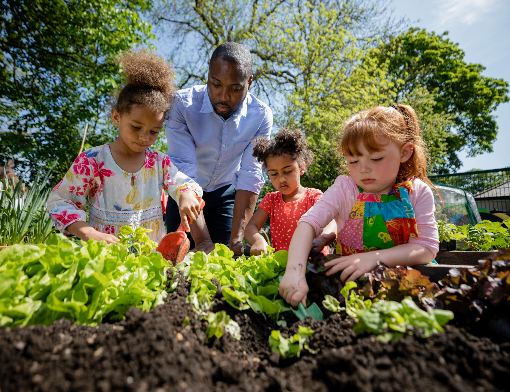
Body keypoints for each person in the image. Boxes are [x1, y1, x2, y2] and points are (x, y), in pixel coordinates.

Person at [279, 104, 440, 307]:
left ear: (405, 153)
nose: (364, 169)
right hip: (351, 289)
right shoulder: (344, 189)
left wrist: (373, 259)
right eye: (353, 161)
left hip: (405, 288)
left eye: (376, 158)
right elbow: (308, 223)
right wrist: (294, 271)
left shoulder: (417, 193)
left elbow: (426, 248)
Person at [47, 51, 203, 244]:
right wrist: (90, 234)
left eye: (154, 131)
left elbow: (182, 182)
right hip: (105, 260)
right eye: (136, 127)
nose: (144, 137)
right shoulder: (91, 161)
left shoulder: (159, 162)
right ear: (116, 117)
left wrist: (185, 194)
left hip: (150, 262)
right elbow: (60, 202)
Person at [164, 42, 272, 254]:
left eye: (235, 88)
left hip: (225, 194)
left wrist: (236, 242)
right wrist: (203, 240)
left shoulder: (260, 115)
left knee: (226, 257)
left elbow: (250, 174)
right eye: (216, 84)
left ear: (249, 83)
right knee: (177, 260)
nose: (224, 96)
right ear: (208, 76)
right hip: (184, 193)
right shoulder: (181, 105)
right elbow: (184, 169)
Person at [244, 128, 337, 255]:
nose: (281, 179)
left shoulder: (314, 197)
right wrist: (258, 240)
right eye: (274, 174)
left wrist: (323, 239)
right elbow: (250, 227)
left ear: (301, 168)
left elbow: (333, 222)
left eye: (288, 171)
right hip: (284, 268)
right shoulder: (271, 200)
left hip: (314, 264)